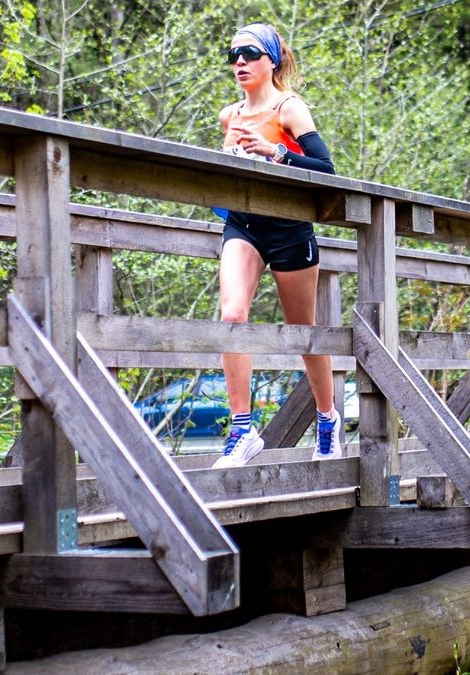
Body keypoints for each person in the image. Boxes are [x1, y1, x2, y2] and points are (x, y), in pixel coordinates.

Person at [211, 22, 341, 468]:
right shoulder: (229, 116)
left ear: (271, 60)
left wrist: (275, 152)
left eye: (249, 54)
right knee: (232, 314)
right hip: (243, 225)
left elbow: (327, 171)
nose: (240, 63)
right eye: (233, 56)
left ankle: (327, 419)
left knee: (303, 333)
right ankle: (242, 429)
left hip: (289, 230)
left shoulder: (290, 108)